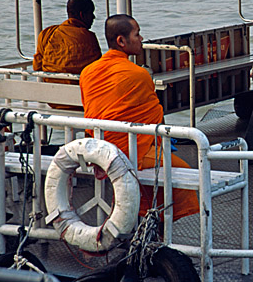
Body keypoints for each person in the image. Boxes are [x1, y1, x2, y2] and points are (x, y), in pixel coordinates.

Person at [80, 14, 199, 222]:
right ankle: (159, 226)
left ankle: (146, 219)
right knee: (183, 171)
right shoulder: (138, 74)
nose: (141, 38)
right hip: (128, 149)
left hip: (99, 149)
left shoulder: (88, 72)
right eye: (137, 34)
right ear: (121, 41)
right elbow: (154, 114)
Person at [33, 0, 102, 110]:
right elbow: (97, 70)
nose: (93, 17)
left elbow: (37, 66)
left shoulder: (47, 33)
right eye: (91, 13)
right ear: (82, 15)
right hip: (82, 101)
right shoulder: (88, 37)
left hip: (53, 99)